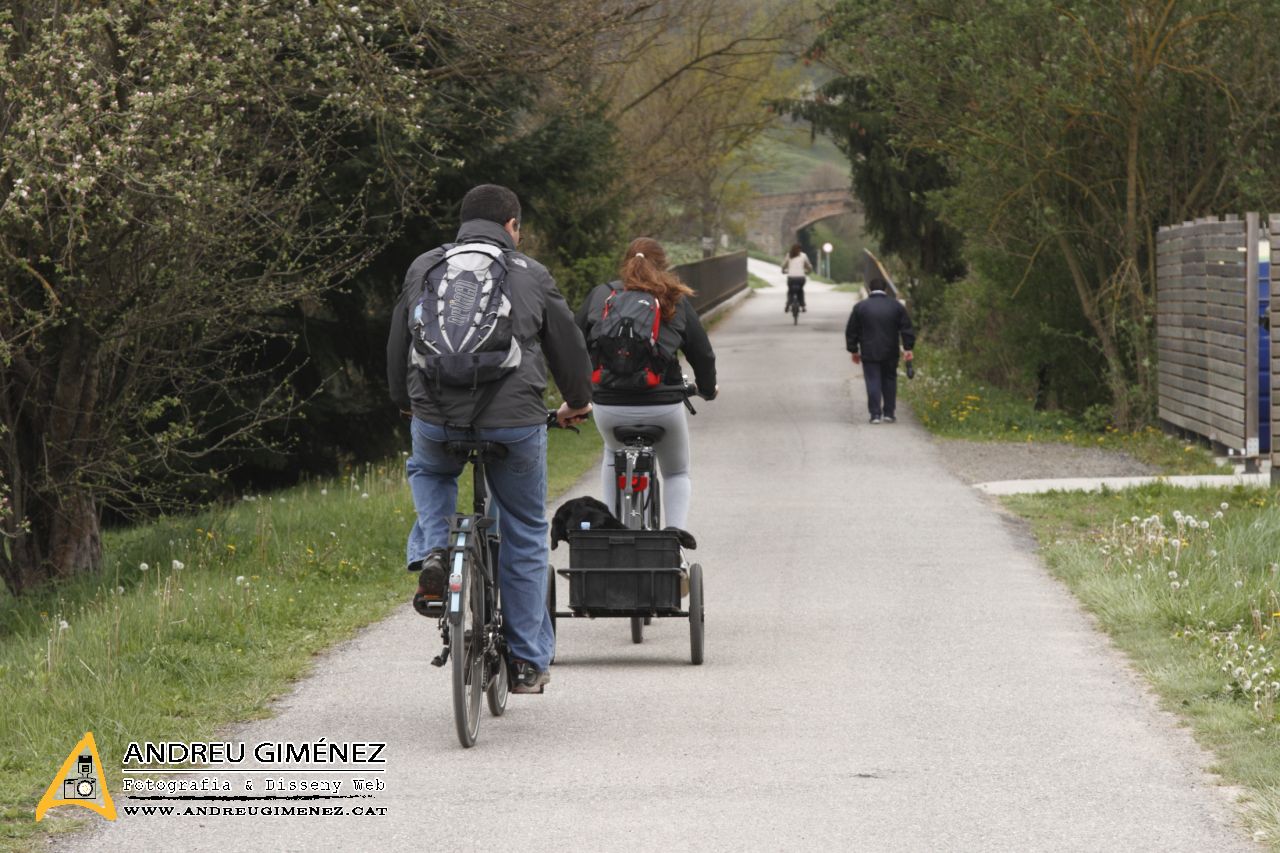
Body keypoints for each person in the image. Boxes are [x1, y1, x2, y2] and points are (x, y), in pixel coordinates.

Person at [386, 183, 593, 694]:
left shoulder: (425, 267)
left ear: (462, 224)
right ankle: (525, 662)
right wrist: (577, 401)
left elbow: (399, 339)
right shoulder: (530, 274)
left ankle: (436, 551)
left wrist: (405, 401)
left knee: (431, 470)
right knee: (523, 529)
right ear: (512, 226)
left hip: (435, 417)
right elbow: (566, 344)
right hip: (514, 422)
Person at [575, 237, 717, 532]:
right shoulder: (674, 299)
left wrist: (578, 391)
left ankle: (615, 532)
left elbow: (573, 343)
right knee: (677, 472)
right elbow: (702, 353)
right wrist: (707, 387)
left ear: (626, 262)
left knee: (613, 454)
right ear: (664, 265)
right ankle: (675, 539)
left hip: (609, 406)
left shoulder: (601, 295)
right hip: (662, 405)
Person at [845, 273, 915, 424]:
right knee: (890, 380)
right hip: (891, 351)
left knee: (873, 381)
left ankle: (875, 414)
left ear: (870, 290)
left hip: (869, 351)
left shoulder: (860, 307)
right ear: (886, 290)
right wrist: (908, 348)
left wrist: (854, 350)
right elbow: (906, 328)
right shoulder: (896, 306)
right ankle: (889, 413)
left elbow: (852, 330)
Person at [780, 243, 813, 312]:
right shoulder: (803, 255)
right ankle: (803, 306)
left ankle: (788, 304)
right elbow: (808, 266)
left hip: (791, 278)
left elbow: (784, 265)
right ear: (800, 249)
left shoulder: (789, 255)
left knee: (790, 291)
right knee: (800, 291)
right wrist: (809, 271)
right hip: (801, 278)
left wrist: (783, 270)